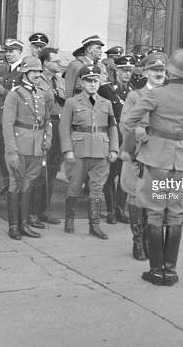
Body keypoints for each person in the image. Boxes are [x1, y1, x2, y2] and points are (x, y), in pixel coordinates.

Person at [122, 49, 183, 286]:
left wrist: (140, 136)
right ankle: (171, 270)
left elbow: (129, 121)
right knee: (175, 214)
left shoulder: (156, 94)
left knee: (156, 211)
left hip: (156, 159)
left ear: (169, 70)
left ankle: (156, 271)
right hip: (182, 160)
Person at [60, 64, 119, 239]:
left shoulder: (106, 103)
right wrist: (67, 150)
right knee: (74, 186)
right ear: (82, 82)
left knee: (97, 188)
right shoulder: (72, 102)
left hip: (101, 150)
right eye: (88, 81)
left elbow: (112, 127)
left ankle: (94, 225)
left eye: (95, 81)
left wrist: (114, 148)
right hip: (79, 149)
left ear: (99, 82)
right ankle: (69, 219)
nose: (92, 84)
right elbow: (64, 129)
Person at [119, 52, 167, 261]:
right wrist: (140, 135)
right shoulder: (135, 96)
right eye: (154, 70)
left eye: (162, 70)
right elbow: (126, 123)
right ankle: (138, 242)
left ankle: (150, 240)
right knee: (136, 196)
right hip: (138, 152)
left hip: (161, 154)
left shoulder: (168, 96)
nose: (159, 74)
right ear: (146, 72)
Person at [2, 56, 52, 240]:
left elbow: (47, 121)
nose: (37, 74)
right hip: (19, 145)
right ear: (25, 72)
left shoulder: (42, 93)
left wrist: (48, 139)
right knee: (15, 184)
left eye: (39, 71)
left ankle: (24, 224)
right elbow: (7, 125)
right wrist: (11, 151)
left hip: (37, 146)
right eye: (33, 71)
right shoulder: (14, 94)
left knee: (28, 183)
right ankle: (13, 225)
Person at [98, 54, 136, 224]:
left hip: (128, 137)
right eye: (124, 70)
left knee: (125, 174)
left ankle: (121, 209)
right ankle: (111, 210)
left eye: (130, 71)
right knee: (111, 174)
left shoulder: (133, 92)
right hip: (113, 135)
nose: (127, 74)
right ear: (116, 71)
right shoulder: (106, 89)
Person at [32, 47, 66, 225]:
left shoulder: (60, 80)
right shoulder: (38, 80)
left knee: (52, 170)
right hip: (45, 124)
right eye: (56, 61)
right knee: (39, 170)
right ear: (45, 63)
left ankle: (44, 210)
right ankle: (32, 212)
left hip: (59, 124)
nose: (60, 64)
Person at [0, 38, 24, 195]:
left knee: (7, 148)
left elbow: (16, 95)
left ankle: (12, 183)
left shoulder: (22, 71)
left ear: (20, 52)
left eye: (12, 51)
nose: (8, 54)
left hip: (12, 115)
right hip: (1, 113)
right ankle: (7, 180)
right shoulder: (10, 70)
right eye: (7, 51)